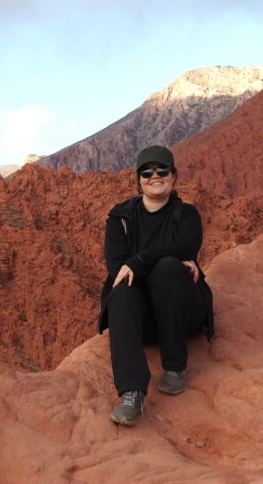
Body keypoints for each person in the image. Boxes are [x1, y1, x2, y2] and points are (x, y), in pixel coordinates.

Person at [97, 144, 214, 426]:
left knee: (167, 269)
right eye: (147, 172)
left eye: (162, 170)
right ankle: (131, 393)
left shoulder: (186, 214)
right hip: (142, 321)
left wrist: (141, 261)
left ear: (174, 176)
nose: (155, 176)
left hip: (181, 314)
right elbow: (116, 267)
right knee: (121, 291)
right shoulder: (120, 217)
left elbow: (188, 245)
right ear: (138, 179)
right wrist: (170, 258)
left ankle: (175, 367)